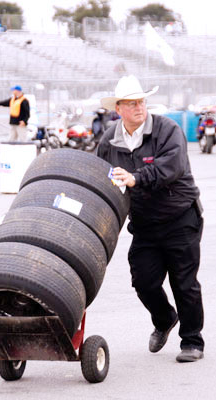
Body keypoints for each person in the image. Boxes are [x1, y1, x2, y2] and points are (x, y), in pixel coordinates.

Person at [97, 75, 204, 363]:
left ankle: (192, 341)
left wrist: (136, 178)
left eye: (141, 101)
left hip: (180, 217)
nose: (138, 107)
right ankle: (165, 318)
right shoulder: (109, 139)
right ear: (118, 108)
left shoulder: (167, 129)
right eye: (131, 103)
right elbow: (101, 178)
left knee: (184, 282)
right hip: (144, 223)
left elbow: (173, 167)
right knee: (143, 281)